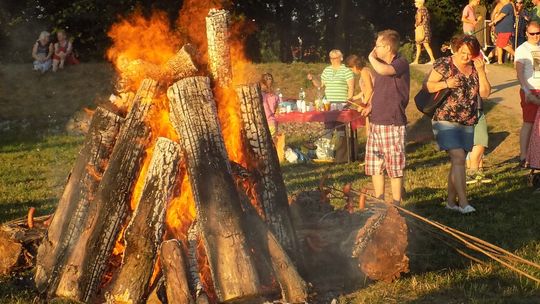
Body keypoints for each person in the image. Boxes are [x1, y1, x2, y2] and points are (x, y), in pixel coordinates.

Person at [426, 35, 491, 214]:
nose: (465, 57)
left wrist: (482, 71)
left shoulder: (476, 68)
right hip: (445, 118)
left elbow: (485, 93)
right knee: (459, 158)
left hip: (467, 120)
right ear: (456, 49)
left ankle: (450, 202)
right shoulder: (445, 63)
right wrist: (447, 83)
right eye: (462, 52)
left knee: (457, 162)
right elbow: (429, 86)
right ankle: (464, 203)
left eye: (469, 54)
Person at [363, 30, 409, 205]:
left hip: (393, 122)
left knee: (394, 166)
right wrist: (371, 106)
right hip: (376, 121)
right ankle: (379, 200)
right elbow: (379, 91)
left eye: (378, 45)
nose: (375, 48)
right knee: (375, 164)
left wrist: (371, 57)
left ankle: (396, 203)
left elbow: (385, 70)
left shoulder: (400, 63)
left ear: (388, 47)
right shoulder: (379, 65)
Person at [307, 49, 354, 162]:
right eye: (331, 58)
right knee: (328, 127)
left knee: (340, 128)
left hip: (342, 103)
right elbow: (320, 85)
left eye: (335, 58)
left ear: (341, 58)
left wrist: (348, 100)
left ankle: (341, 155)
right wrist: (313, 79)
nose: (333, 60)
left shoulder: (346, 71)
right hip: (328, 104)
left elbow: (351, 87)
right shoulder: (327, 70)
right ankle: (325, 154)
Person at [515, 21, 540, 167]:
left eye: (538, 33)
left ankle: (535, 154)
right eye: (532, 34)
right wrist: (526, 91)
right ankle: (523, 155)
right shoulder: (522, 49)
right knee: (529, 122)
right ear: (526, 33)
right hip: (530, 90)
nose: (536, 36)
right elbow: (519, 72)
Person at [345, 54, 374, 136]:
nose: (351, 70)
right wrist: (352, 98)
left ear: (355, 66)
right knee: (370, 129)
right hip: (369, 102)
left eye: (351, 68)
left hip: (371, 103)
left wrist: (363, 104)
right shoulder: (366, 70)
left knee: (371, 131)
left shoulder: (364, 71)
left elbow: (370, 89)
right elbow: (364, 91)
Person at [412, 0, 436, 65]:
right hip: (426, 29)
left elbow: (419, 20)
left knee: (421, 45)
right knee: (422, 45)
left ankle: (432, 59)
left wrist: (416, 24)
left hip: (421, 30)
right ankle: (417, 60)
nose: (415, 4)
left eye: (416, 2)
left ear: (419, 3)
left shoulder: (419, 10)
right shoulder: (425, 9)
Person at [260, 73, 279, 137]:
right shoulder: (274, 95)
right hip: (272, 122)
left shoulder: (260, 94)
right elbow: (276, 110)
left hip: (263, 123)